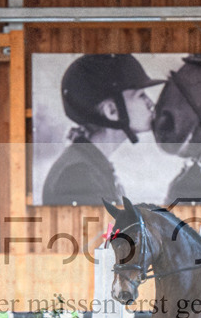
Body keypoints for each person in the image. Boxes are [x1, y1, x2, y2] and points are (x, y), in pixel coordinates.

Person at [41, 54, 163, 205]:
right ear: (111, 111)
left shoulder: (89, 165)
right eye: (141, 95)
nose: (151, 103)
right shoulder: (79, 175)